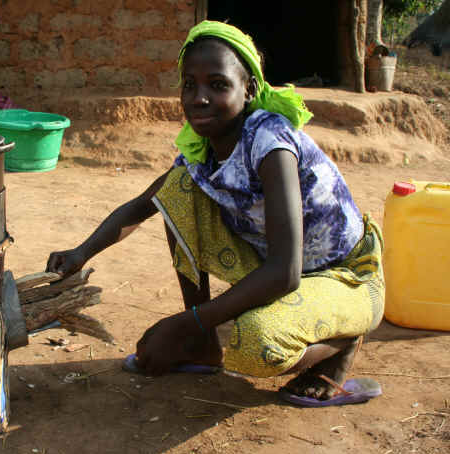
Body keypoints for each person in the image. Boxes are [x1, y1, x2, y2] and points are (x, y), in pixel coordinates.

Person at [46, 21, 385, 407]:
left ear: (249, 90)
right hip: (282, 269)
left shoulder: (270, 142)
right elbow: (143, 205)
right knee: (178, 192)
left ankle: (342, 344)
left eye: (217, 85)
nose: (199, 97)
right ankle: (204, 347)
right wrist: (80, 253)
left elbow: (284, 272)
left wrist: (185, 324)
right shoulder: (202, 148)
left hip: (345, 275)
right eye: (189, 84)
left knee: (255, 343)